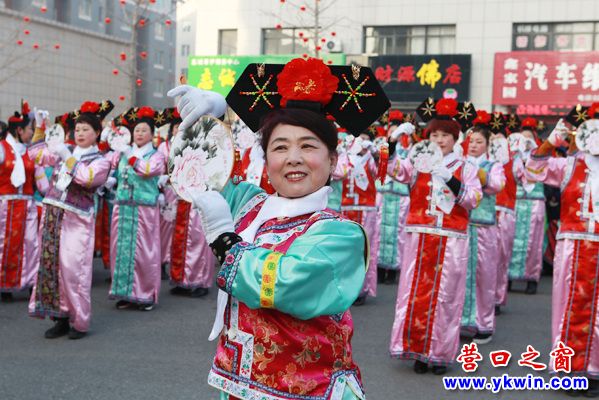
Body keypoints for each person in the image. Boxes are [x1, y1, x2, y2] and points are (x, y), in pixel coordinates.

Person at [168, 57, 390, 400]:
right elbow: (210, 179)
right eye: (280, 147)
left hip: (308, 392)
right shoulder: (252, 205)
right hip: (239, 386)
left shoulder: (339, 234)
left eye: (308, 146)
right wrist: (213, 119)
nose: (293, 158)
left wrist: (227, 242)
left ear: (332, 160)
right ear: (266, 159)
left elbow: (287, 282)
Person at [388, 98, 482, 375]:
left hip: (451, 237)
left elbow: (473, 199)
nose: (440, 140)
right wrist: (392, 142)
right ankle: (418, 350)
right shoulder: (419, 162)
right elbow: (394, 171)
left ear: (456, 138)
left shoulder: (467, 168)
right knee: (415, 293)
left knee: (447, 297)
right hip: (420, 235)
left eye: (445, 135)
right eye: (435, 134)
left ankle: (439, 353)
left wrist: (450, 178)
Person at [525, 108, 599, 398]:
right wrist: (549, 143)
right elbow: (531, 169)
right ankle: (569, 369)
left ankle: (593, 368)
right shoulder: (567, 165)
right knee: (568, 305)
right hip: (572, 245)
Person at [28, 100, 112, 339]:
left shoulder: (101, 160)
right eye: (78, 129)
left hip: (77, 220)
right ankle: (60, 317)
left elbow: (88, 179)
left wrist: (67, 156)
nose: (81, 133)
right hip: (54, 215)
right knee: (52, 268)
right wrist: (41, 128)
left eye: (86, 129)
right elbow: (36, 155)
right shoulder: (64, 152)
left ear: (97, 133)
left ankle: (79, 321)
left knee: (74, 271)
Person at [108, 106, 166, 311]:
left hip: (144, 209)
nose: (139, 134)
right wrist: (108, 180)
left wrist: (130, 156)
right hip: (123, 207)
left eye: (144, 130)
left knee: (144, 252)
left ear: (152, 134)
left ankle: (146, 294)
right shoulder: (122, 153)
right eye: (137, 130)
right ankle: (125, 293)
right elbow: (110, 168)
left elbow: (147, 171)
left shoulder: (156, 156)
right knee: (121, 250)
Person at [460, 121, 506, 344]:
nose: (474, 145)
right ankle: (461, 321)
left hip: (484, 226)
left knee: (484, 276)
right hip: (461, 226)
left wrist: (476, 171)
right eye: (471, 141)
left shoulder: (493, 165)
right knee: (460, 275)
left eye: (479, 141)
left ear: (487, 144)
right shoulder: (459, 163)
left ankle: (484, 324)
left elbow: (498, 185)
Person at [0, 107, 47, 302]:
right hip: (5, 205)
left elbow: (42, 182)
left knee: (30, 244)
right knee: (4, 244)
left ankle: (30, 282)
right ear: (19, 131)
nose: (31, 132)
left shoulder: (30, 152)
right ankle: (5, 284)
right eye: (30, 129)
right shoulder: (2, 148)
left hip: (27, 205)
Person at [508, 117, 546, 295]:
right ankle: (508, 277)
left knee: (533, 241)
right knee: (510, 240)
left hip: (534, 201)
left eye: (529, 137)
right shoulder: (513, 157)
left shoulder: (541, 156)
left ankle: (532, 278)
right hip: (516, 201)